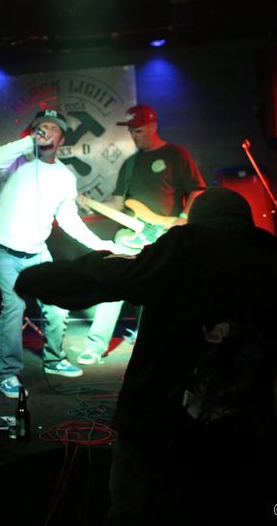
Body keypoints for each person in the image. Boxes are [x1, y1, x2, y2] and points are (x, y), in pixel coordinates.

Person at [16, 187, 277, 520]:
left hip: (160, 437)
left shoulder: (190, 246)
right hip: (243, 438)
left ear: (197, 220)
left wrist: (39, 279)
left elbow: (117, 275)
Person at [0, 109, 116, 398]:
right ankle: (7, 373)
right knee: (14, 305)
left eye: (52, 128)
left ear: (61, 139)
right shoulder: (17, 161)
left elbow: (70, 221)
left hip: (36, 251)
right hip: (2, 249)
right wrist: (28, 141)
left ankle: (54, 360)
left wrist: (101, 245)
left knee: (58, 302)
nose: (46, 131)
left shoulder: (64, 176)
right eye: (40, 127)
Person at [79, 104, 206, 365]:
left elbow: (197, 189)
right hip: (132, 235)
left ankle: (151, 339)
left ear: (153, 126)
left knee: (164, 291)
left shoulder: (176, 154)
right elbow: (118, 203)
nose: (133, 136)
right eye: (131, 131)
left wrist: (183, 218)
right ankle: (96, 344)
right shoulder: (130, 163)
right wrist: (89, 204)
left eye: (137, 130)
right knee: (113, 282)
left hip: (165, 236)